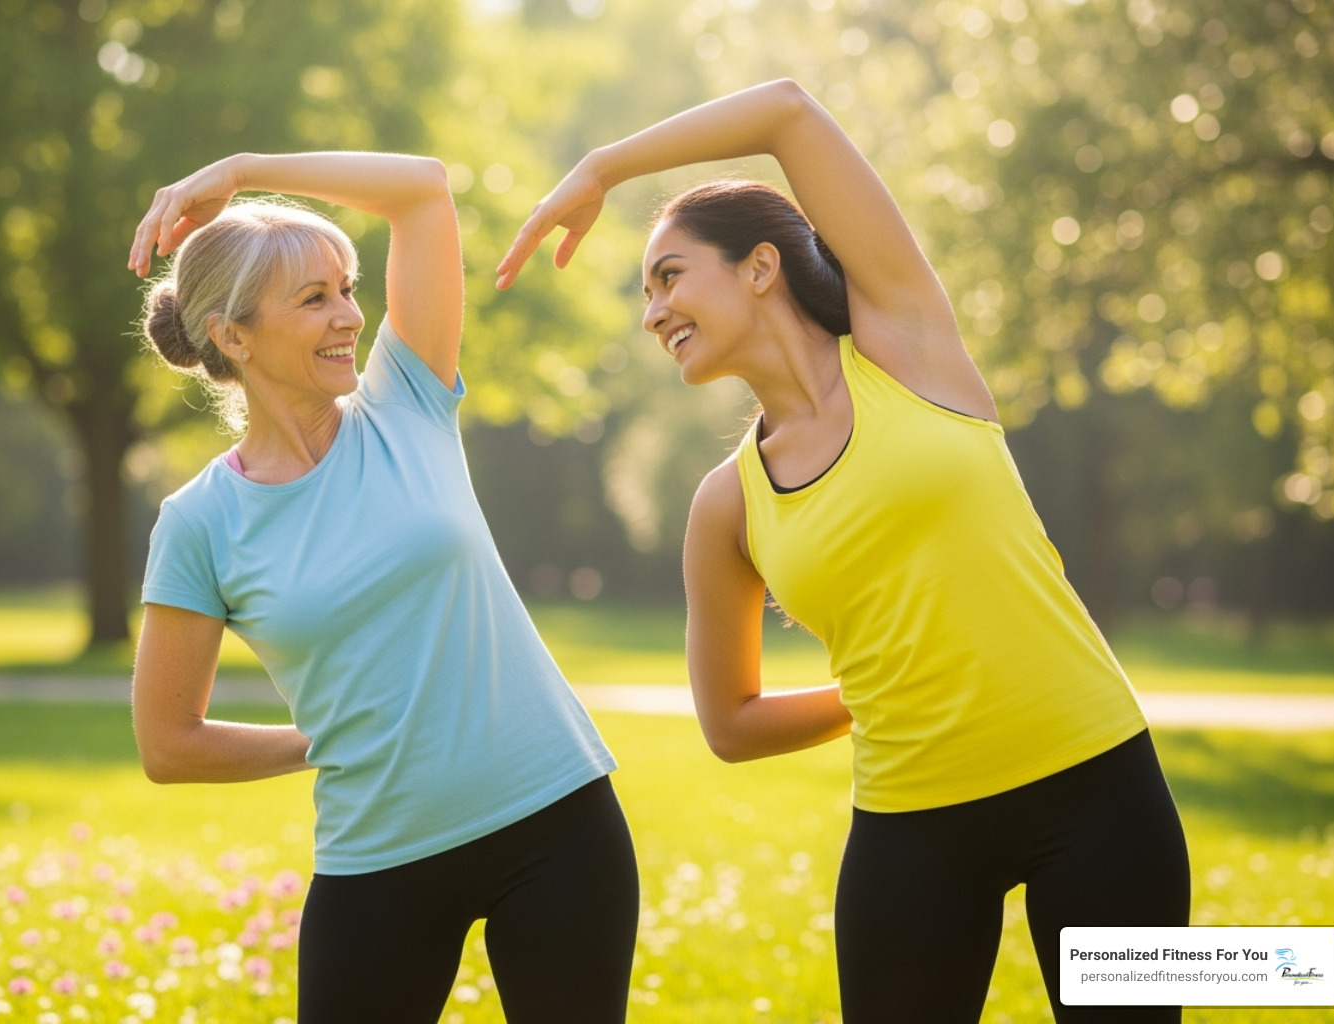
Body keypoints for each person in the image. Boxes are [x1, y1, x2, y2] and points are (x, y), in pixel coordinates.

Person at [497, 80, 1190, 1023]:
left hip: (1097, 787)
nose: (652, 313)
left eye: (668, 276)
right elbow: (731, 725)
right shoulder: (724, 507)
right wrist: (872, 695)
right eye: (645, 294)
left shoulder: (907, 344)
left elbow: (786, 110)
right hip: (912, 832)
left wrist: (604, 168)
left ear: (759, 267)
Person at [127, 151, 638, 1024]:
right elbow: (169, 745)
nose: (351, 317)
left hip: (556, 821)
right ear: (232, 335)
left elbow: (425, 189)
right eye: (314, 298)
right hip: (379, 859)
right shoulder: (200, 522)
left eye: (347, 287)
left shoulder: (407, 398)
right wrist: (319, 739)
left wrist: (245, 172)